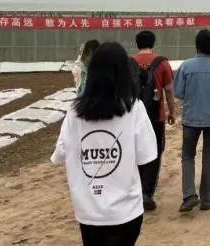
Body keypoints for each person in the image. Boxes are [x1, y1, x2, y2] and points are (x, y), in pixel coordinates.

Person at [51, 42, 157, 246]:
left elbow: (61, 154)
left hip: (88, 213)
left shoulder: (74, 112)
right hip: (126, 212)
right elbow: (147, 155)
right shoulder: (134, 108)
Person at [174, 29, 210, 213]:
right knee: (209, 157)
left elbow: (178, 92)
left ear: (196, 45)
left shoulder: (186, 66)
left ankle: (189, 195)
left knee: (188, 156)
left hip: (191, 118)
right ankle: (206, 199)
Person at [131, 30, 176, 211]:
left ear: (137, 44)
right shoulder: (162, 63)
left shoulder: (129, 63)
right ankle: (147, 192)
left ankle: (135, 190)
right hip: (156, 116)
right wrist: (172, 111)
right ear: (153, 43)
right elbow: (169, 91)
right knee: (154, 152)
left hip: (132, 117)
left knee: (134, 151)